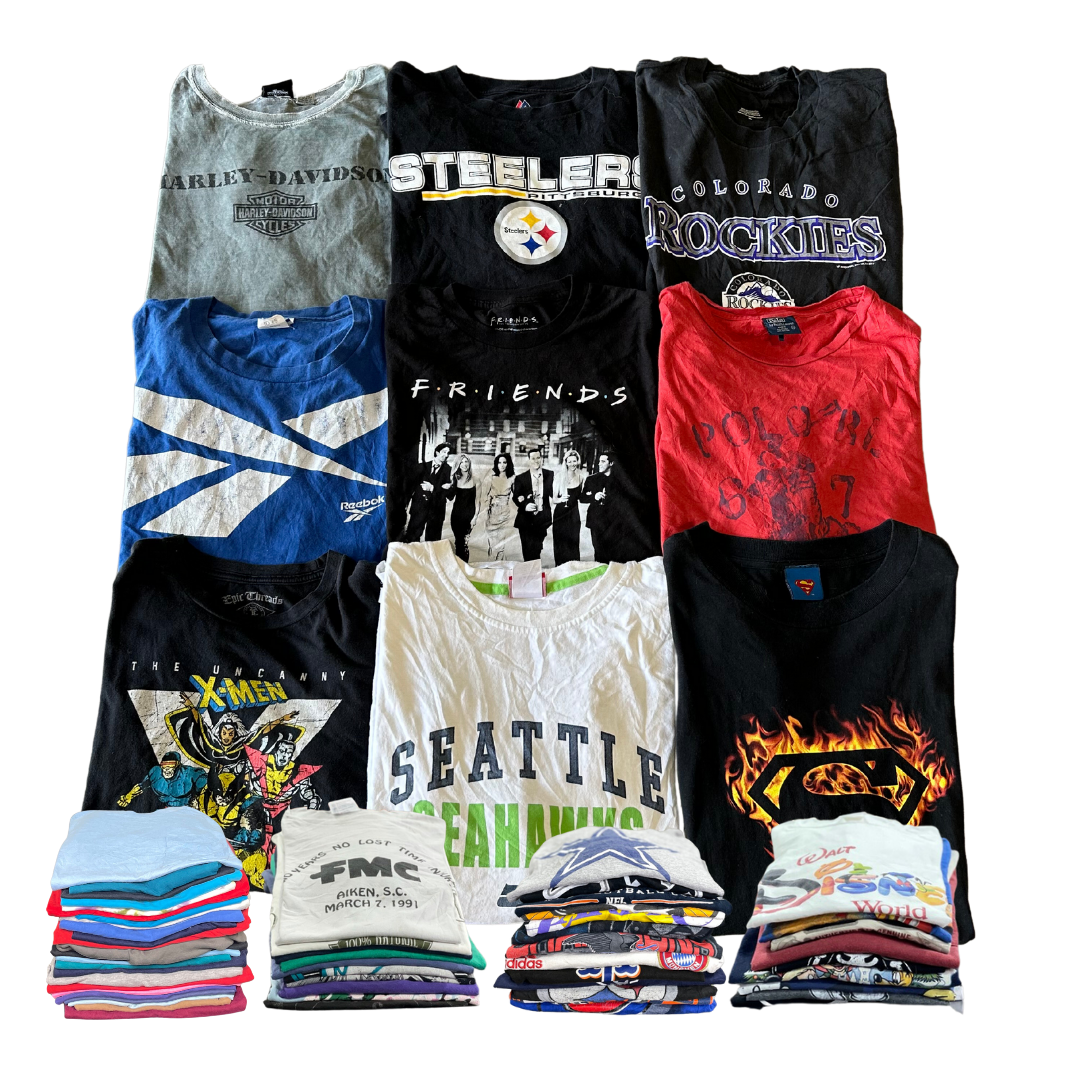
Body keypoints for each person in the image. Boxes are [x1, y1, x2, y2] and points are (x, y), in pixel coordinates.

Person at [117, 751, 207, 809]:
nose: (167, 769)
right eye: (164, 765)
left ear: (178, 765)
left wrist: (199, 802)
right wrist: (128, 796)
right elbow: (141, 786)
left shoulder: (190, 773)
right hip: (167, 812)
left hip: (189, 811)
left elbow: (208, 785)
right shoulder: (155, 773)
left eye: (171, 765)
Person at [403, 442, 453, 542]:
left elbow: (450, 494)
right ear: (437, 452)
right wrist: (405, 505)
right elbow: (410, 488)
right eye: (444, 452)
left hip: (437, 510)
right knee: (412, 538)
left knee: (433, 541)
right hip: (418, 508)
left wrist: (433, 488)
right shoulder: (421, 467)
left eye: (448, 453)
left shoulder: (449, 471)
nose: (446, 455)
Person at [512, 447, 554, 562]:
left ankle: (534, 568)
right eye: (533, 458)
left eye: (538, 458)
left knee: (536, 548)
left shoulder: (549, 475)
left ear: (541, 459)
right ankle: (532, 570)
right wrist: (525, 506)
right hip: (525, 520)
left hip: (542, 518)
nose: (536, 461)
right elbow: (515, 497)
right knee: (528, 550)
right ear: (529, 460)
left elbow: (554, 492)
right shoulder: (521, 478)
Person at [580, 451, 617, 562]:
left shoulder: (619, 481)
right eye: (599, 461)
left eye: (603, 461)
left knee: (612, 551)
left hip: (613, 522)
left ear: (611, 463)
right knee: (598, 550)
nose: (599, 464)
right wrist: (594, 497)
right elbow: (582, 498)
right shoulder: (591, 479)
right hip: (596, 521)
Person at [482, 453, 518, 561]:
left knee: (501, 542)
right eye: (499, 463)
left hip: (504, 512)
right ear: (496, 464)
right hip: (492, 512)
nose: (502, 465)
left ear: (508, 464)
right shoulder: (491, 478)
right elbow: (484, 496)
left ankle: (499, 564)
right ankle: (491, 564)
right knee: (492, 542)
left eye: (504, 462)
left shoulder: (512, 478)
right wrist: (488, 502)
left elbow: (517, 495)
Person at [552, 449, 585, 564]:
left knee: (573, 543)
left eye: (574, 461)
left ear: (578, 461)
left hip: (574, 515)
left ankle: (573, 568)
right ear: (565, 462)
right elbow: (554, 499)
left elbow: (582, 497)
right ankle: (560, 567)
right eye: (569, 461)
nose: (572, 464)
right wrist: (560, 500)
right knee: (560, 543)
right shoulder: (559, 477)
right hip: (560, 515)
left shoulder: (581, 478)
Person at [447, 454, 479, 561]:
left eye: (466, 462)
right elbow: (450, 497)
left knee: (464, 542)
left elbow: (477, 501)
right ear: (458, 464)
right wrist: (449, 485)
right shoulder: (455, 478)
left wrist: (475, 517)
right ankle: (459, 566)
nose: (464, 464)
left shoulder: (476, 480)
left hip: (469, 515)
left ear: (469, 463)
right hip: (456, 515)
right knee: (458, 541)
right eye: (461, 462)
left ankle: (464, 565)